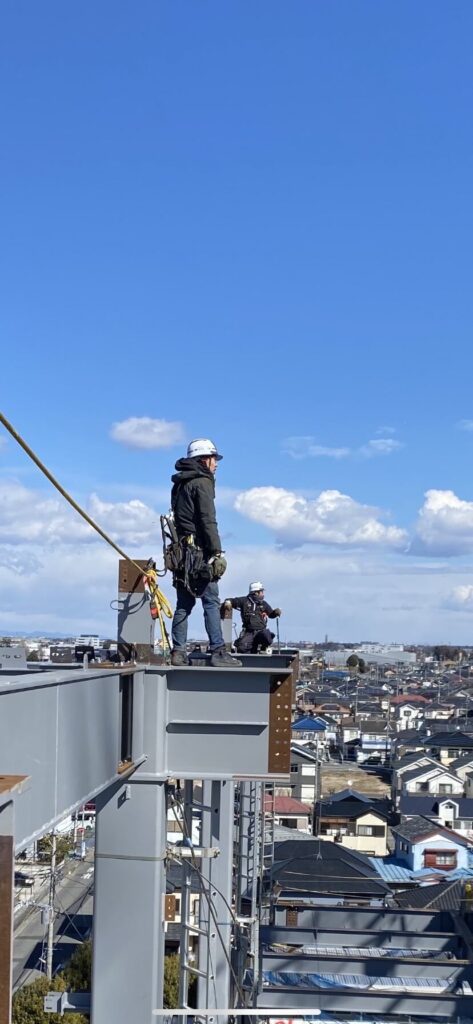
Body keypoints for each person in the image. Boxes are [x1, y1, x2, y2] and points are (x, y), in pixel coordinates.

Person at [170, 438, 242, 668]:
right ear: (204, 459)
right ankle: (218, 651)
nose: (216, 465)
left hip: (182, 554)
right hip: (199, 553)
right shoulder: (202, 482)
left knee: (184, 604)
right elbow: (207, 520)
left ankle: (178, 652)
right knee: (211, 601)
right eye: (214, 459)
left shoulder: (180, 483)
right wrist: (216, 552)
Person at [223, 582, 282, 654]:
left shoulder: (264, 604)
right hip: (249, 632)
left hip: (261, 631)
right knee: (242, 648)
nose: (263, 594)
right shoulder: (244, 601)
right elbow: (232, 600)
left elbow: (271, 615)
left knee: (267, 636)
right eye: (261, 592)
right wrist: (228, 602)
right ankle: (250, 650)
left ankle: (264, 647)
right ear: (256, 593)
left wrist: (276, 612)